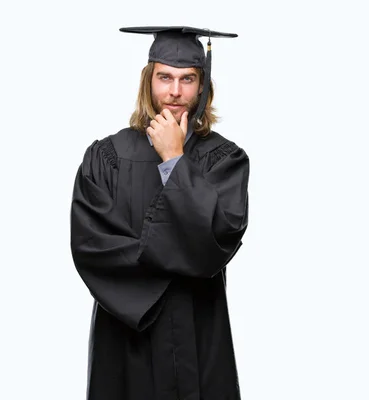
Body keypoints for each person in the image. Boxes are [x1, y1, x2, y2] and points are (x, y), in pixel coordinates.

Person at [70, 26, 249, 400]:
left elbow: (219, 238)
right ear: (148, 81)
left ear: (203, 86)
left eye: (188, 79)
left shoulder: (224, 160)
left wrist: (175, 159)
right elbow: (91, 246)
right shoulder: (107, 157)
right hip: (125, 335)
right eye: (164, 77)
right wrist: (177, 266)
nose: (175, 92)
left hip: (197, 336)